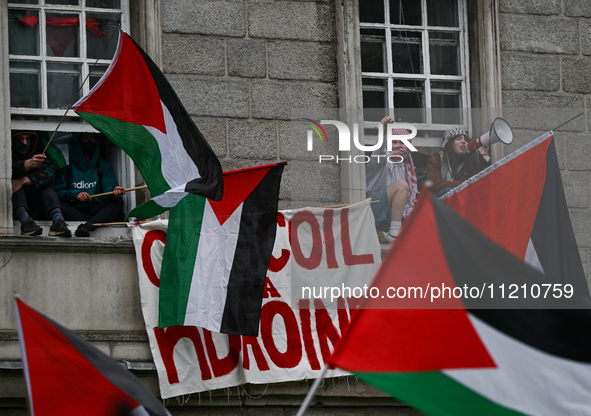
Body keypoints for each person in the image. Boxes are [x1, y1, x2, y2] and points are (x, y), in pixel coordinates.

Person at [54, 133, 125, 237]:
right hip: (74, 209)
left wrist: (115, 192)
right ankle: (94, 222)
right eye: (85, 138)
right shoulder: (66, 165)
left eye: (92, 138)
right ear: (77, 142)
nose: (89, 142)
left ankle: (87, 226)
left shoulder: (103, 165)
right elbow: (58, 192)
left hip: (95, 209)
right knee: (60, 207)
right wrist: (76, 194)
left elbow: (108, 189)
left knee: (117, 201)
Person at [365, 116, 418, 244]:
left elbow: (409, 202)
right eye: (394, 142)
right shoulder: (382, 160)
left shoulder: (408, 166)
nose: (398, 146)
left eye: (402, 143)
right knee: (401, 186)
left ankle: (385, 235)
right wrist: (383, 131)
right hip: (372, 209)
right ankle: (395, 233)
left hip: (392, 216)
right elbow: (379, 151)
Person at [11, 131, 72, 237]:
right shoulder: (5, 154)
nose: (25, 143)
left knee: (46, 187)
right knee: (14, 185)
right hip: (12, 209)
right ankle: (26, 222)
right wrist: (24, 165)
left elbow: (49, 173)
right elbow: (5, 170)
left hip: (36, 207)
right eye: (21, 139)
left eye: (28, 139)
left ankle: (58, 221)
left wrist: (24, 180)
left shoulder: (36, 154)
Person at [426, 127, 489, 197]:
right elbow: (436, 184)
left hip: (464, 201)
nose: (463, 141)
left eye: (466, 140)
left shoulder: (470, 163)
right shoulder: (436, 161)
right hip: (442, 202)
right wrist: (464, 185)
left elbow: (481, 184)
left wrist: (483, 161)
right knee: (448, 191)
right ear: (449, 144)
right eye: (458, 139)